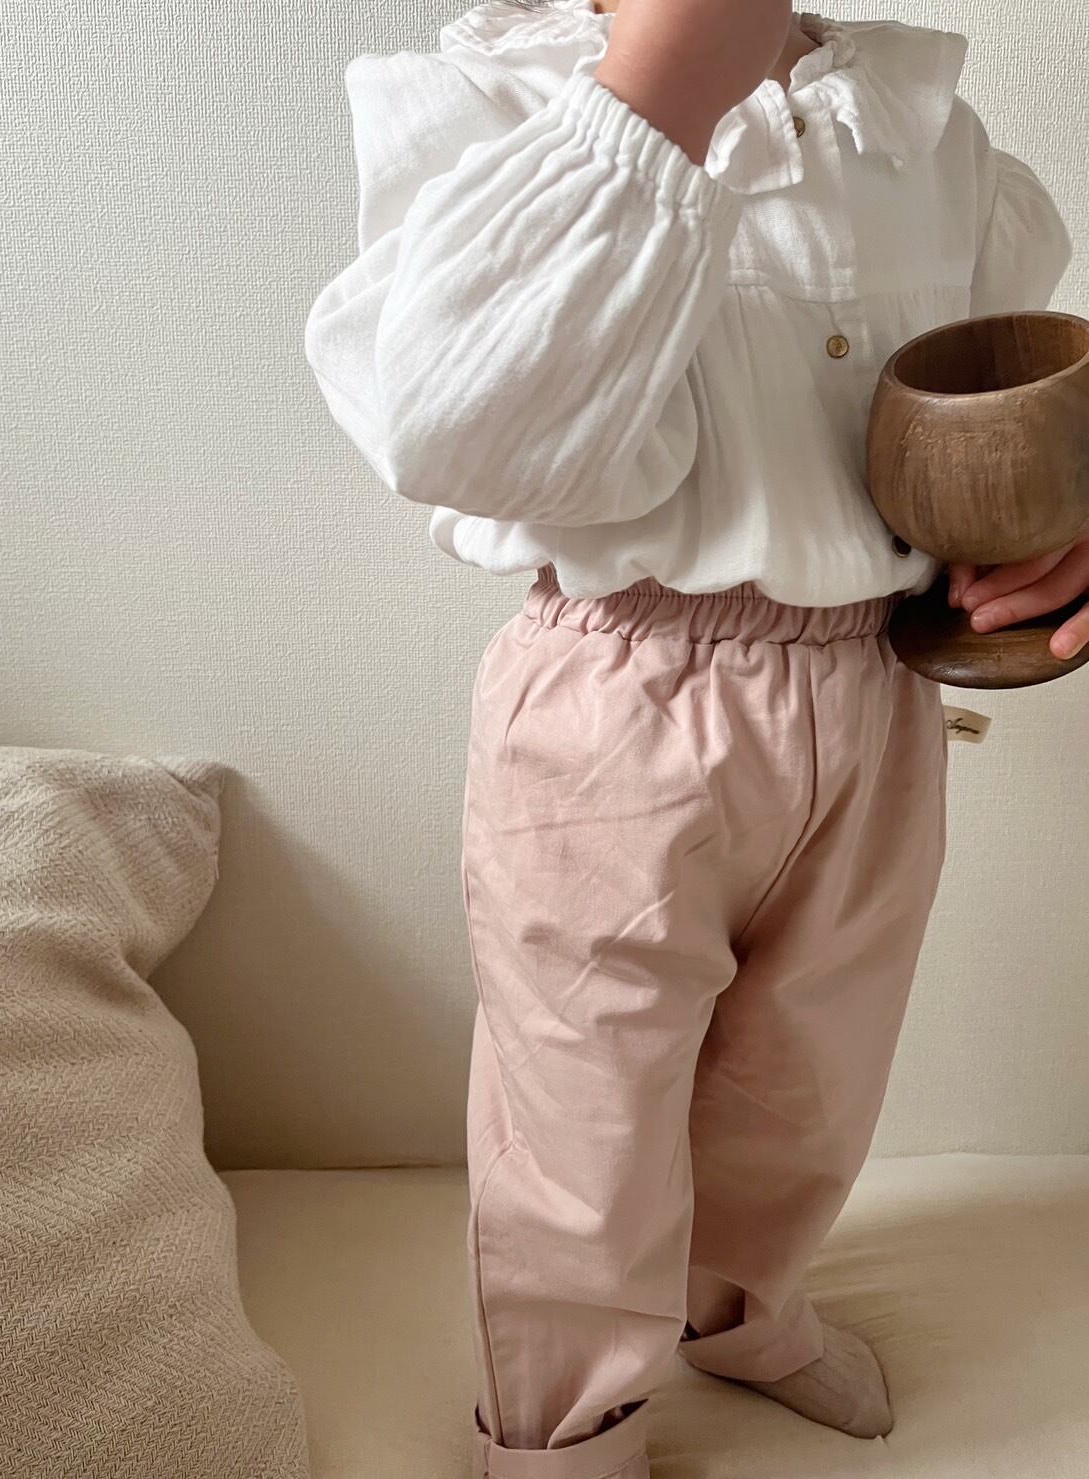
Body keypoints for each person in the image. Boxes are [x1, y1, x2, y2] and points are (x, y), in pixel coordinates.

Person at [303, 3, 1080, 1475]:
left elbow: (988, 392)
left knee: (810, 1076)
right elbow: (458, 430)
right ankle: (565, 1432)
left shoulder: (914, 122)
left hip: (876, 681)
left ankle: (737, 1307)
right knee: (581, 1104)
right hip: (620, 688)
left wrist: (1047, 527)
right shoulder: (482, 105)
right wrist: (661, 89)